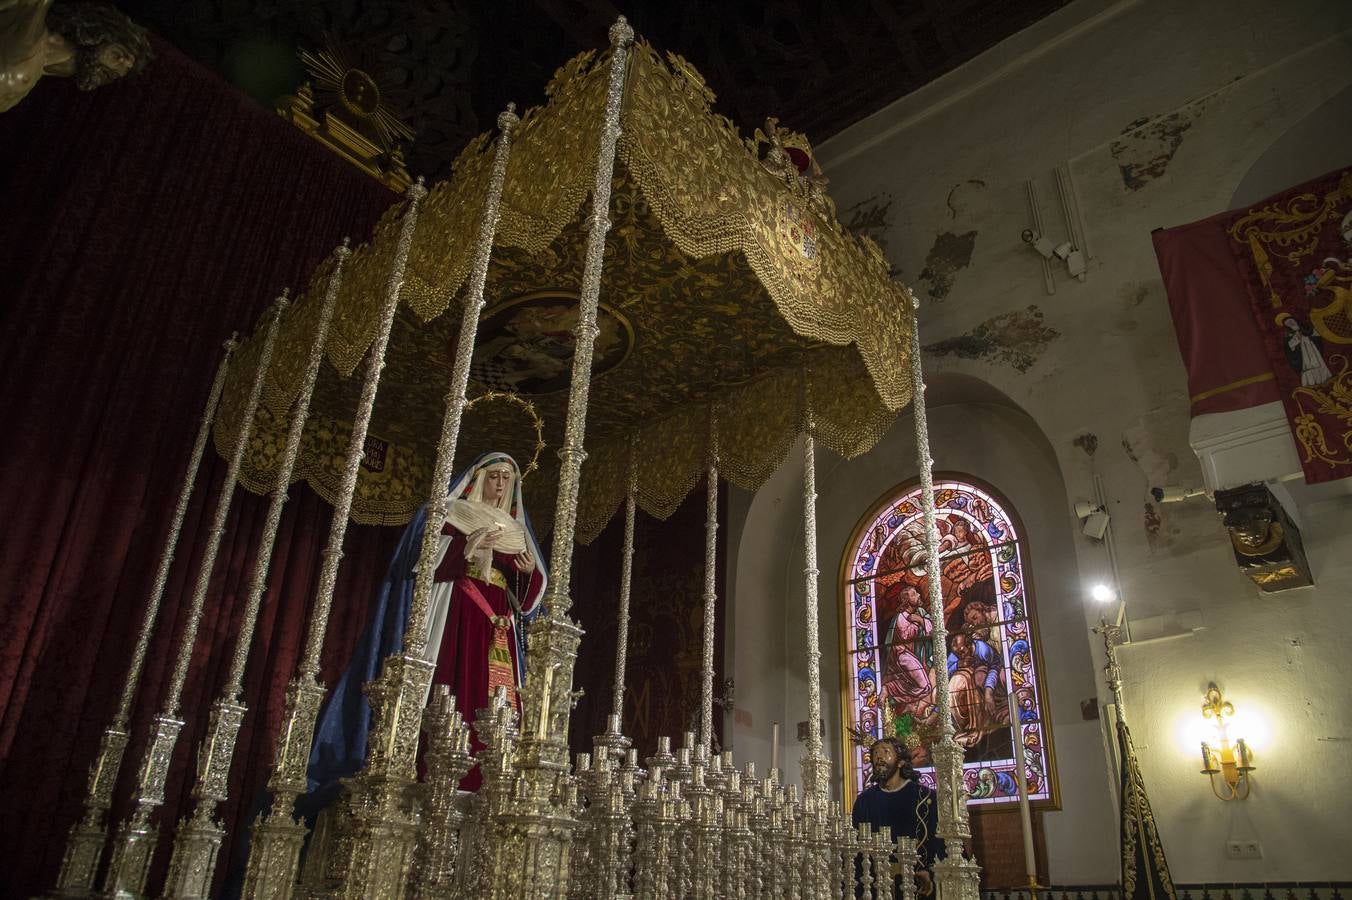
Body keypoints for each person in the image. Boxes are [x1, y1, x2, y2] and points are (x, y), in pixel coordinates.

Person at [304, 451, 546, 807]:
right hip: (458, 609)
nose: (499, 484)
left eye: (506, 479)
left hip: (498, 625)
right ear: (479, 478)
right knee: (451, 684)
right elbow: (421, 562)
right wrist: (465, 547)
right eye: (494, 475)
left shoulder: (517, 532)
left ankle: (494, 779)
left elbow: (528, 599)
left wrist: (526, 575)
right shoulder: (449, 514)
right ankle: (433, 774)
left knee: (499, 699)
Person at [1, 0, 152, 112]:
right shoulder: (31, 9)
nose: (121, 62)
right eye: (119, 54)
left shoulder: (40, 67)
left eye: (116, 73)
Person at [852, 737, 945, 897]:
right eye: (875, 753)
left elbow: (939, 840)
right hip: (875, 885)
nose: (879, 757)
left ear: (901, 762)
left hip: (918, 883)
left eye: (886, 752)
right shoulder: (864, 801)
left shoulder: (925, 796)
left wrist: (930, 870)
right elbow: (856, 847)